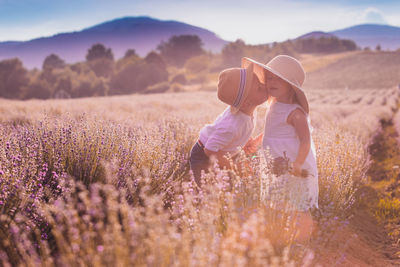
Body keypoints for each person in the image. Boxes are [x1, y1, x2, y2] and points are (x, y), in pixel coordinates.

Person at [243, 55, 318, 250]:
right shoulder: (274, 105)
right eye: (269, 77)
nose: (271, 82)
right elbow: (272, 131)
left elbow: (305, 141)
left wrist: (298, 164)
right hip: (275, 164)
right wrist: (257, 141)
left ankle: (302, 242)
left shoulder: (296, 112)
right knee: (275, 200)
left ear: (291, 85)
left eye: (278, 78)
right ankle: (280, 238)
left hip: (293, 165)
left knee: (298, 204)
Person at [189, 62, 268, 188]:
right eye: (259, 88)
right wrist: (234, 167)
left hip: (220, 152)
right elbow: (209, 149)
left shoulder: (248, 110)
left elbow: (240, 130)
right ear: (246, 103)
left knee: (227, 187)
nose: (265, 86)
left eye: (260, 83)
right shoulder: (231, 126)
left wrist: (245, 142)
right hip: (203, 157)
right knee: (211, 192)